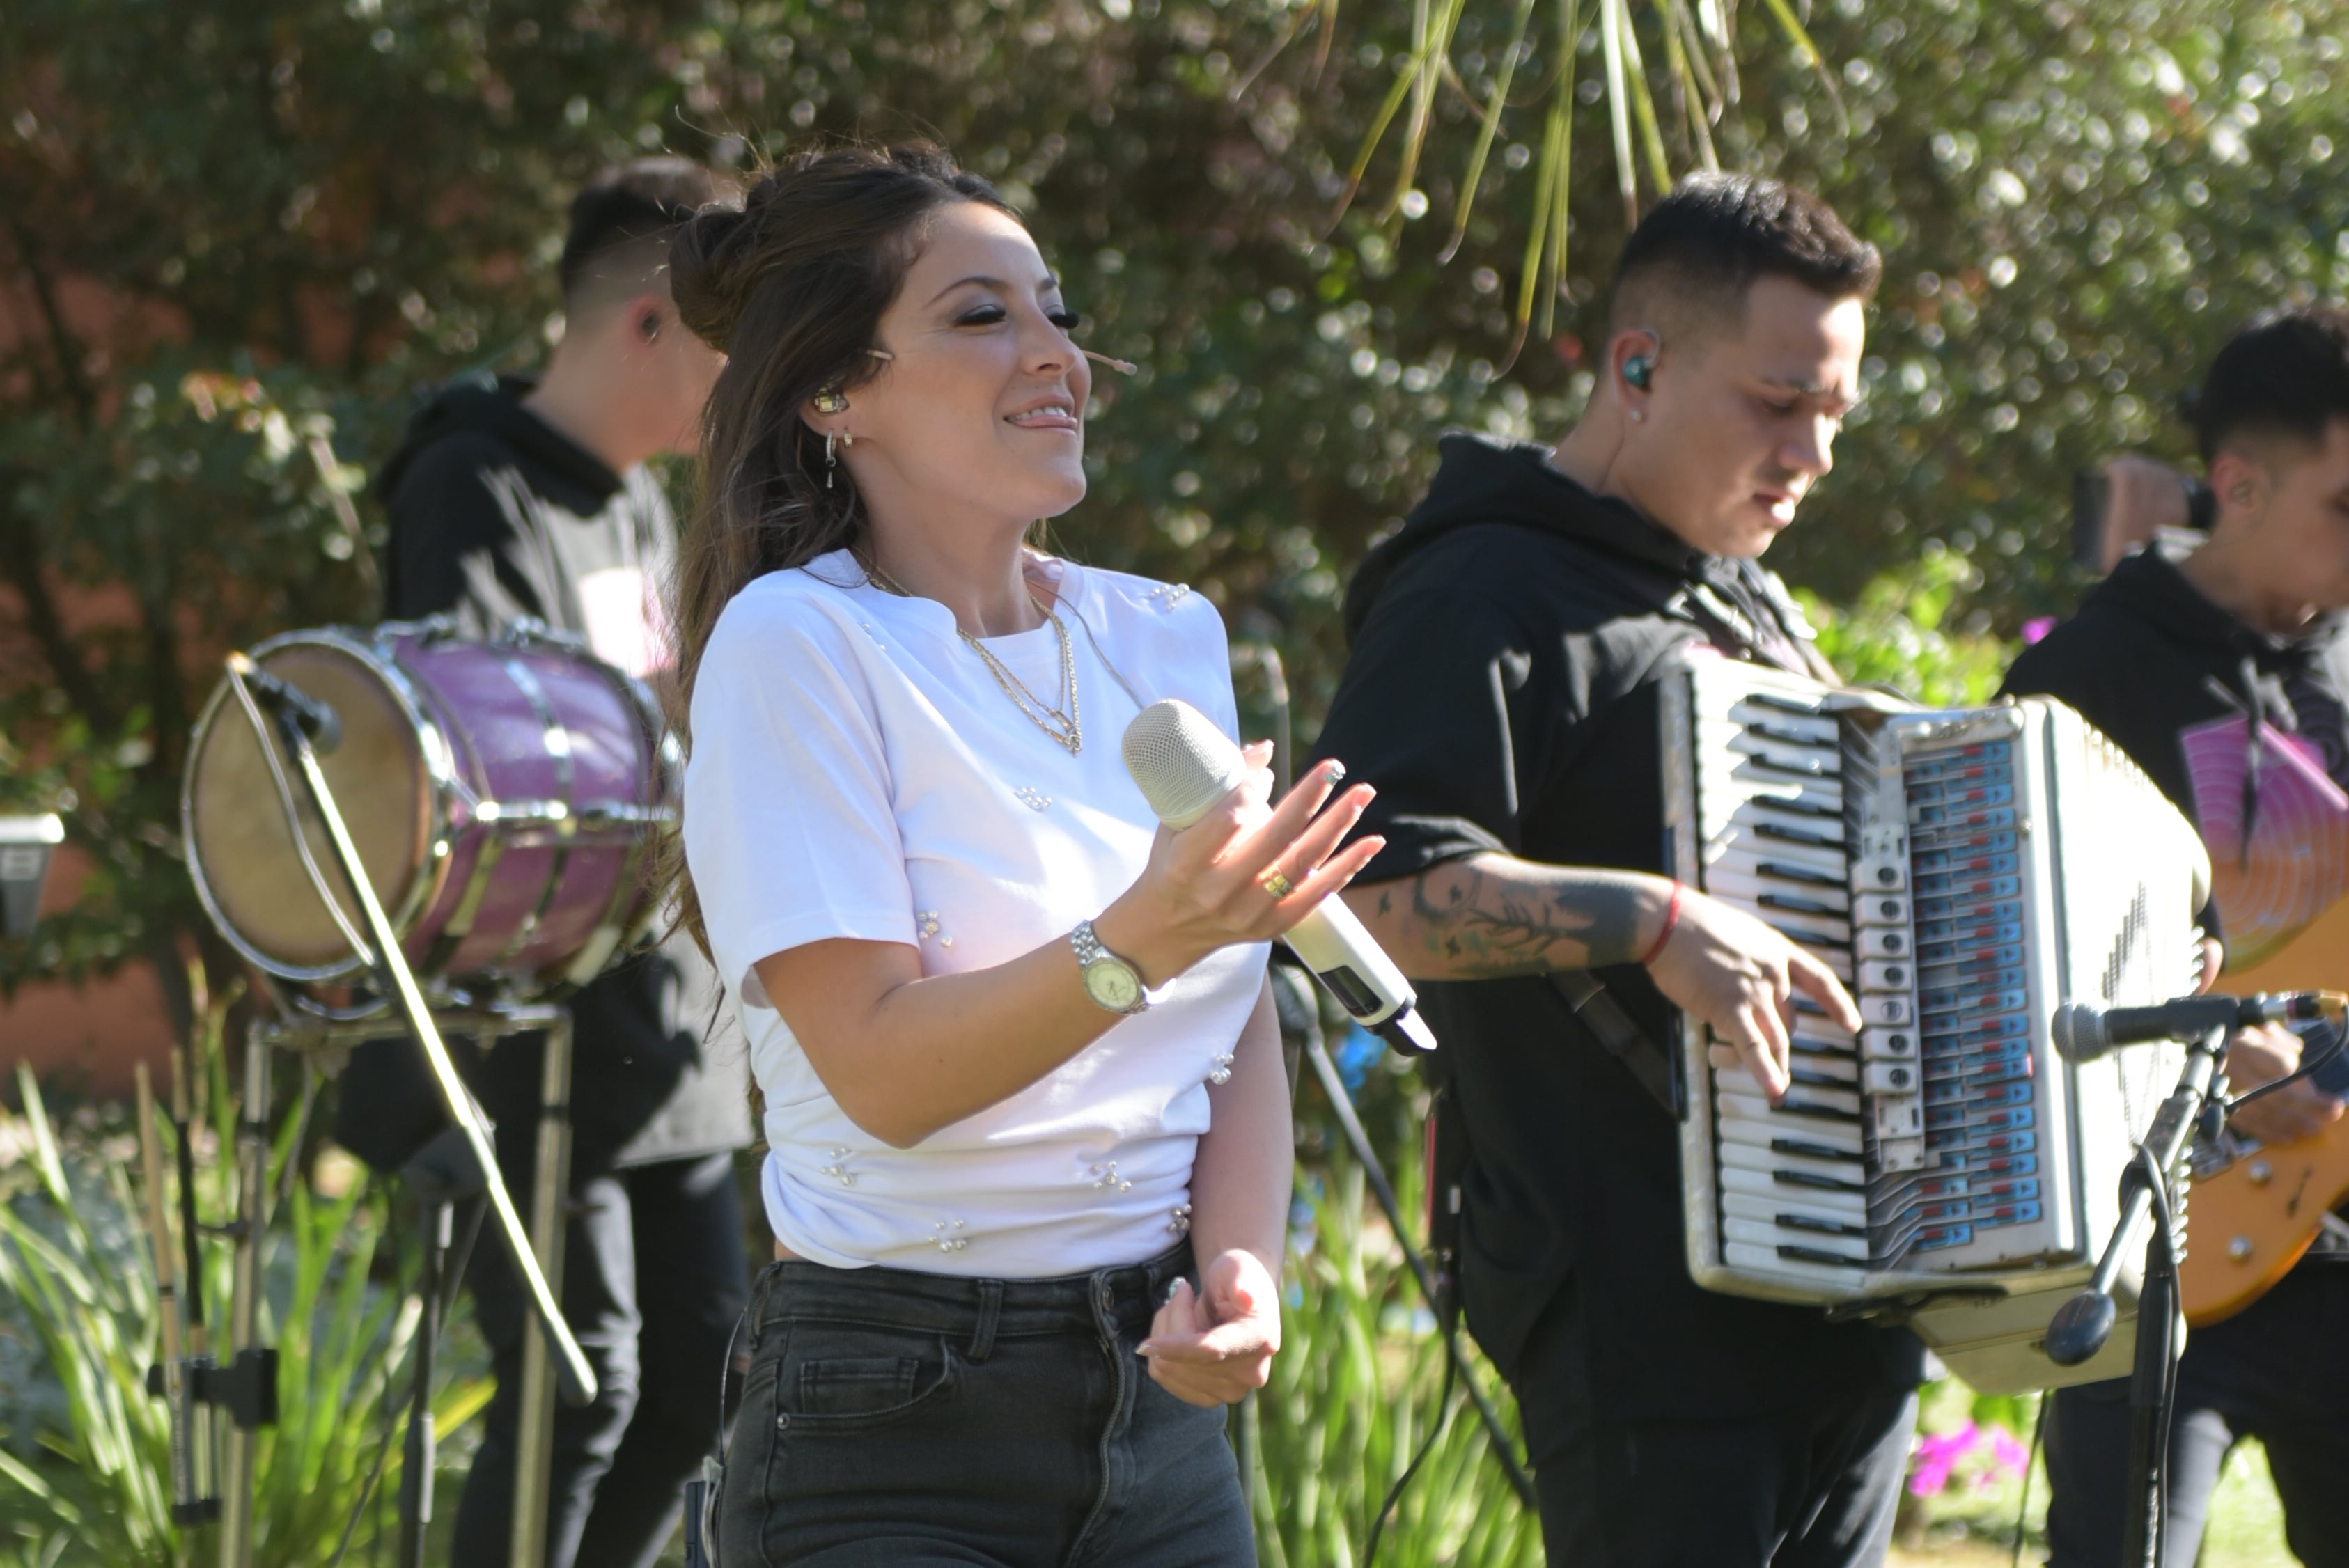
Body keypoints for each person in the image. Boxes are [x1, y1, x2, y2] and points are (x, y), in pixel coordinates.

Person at [664, 141, 1378, 1565]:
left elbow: (1234, 1026)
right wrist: (1143, 937)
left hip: (1158, 1416)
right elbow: (882, 1077)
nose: (1060, 354)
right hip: (890, 1418)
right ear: (833, 392)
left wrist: (1240, 1266)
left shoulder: (1164, 635)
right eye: (982, 314)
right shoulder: (799, 645)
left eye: (1054, 309)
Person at [1311, 173, 1923, 1566]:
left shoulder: (1736, 593)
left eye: (1833, 412)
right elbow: (1355, 895)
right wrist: (1644, 920)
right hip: (1642, 1319)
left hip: (1839, 1289)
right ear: (1635, 366)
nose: (1812, 453)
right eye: (1777, 403)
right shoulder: (1478, 590)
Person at [335, 158, 754, 1568]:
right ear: (650, 324)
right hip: (538, 1017)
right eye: (729, 346)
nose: (747, 387)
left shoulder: (642, 502)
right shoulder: (472, 482)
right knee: (585, 1386)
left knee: (697, 1380)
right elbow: (483, 742)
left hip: (663, 1021)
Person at [2001, 304, 2349, 1568]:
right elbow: (2002, 946)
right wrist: (2222, 1052)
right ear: (2238, 486)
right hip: (2156, 1256)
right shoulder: (2088, 674)